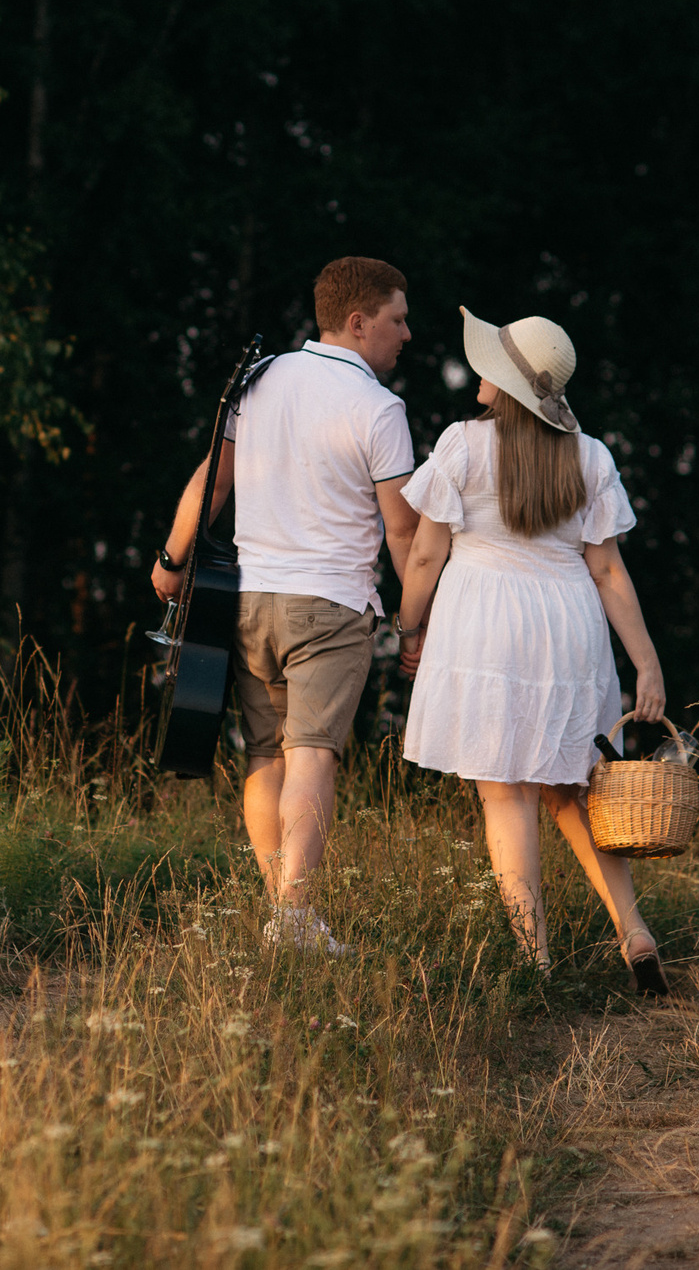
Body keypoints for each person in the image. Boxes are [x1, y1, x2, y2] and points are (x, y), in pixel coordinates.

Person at [394, 308, 671, 996]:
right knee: (574, 791)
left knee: (506, 796)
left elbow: (425, 555)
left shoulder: (462, 444)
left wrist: (408, 627)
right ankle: (634, 929)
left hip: (484, 626)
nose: (478, 373)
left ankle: (534, 961)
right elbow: (608, 571)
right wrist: (646, 662)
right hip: (567, 628)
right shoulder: (590, 456)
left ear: (507, 383)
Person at [150, 257, 419, 955]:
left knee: (265, 756)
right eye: (397, 319)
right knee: (313, 757)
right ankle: (296, 920)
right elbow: (404, 532)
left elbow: (213, 482)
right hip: (329, 606)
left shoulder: (260, 378)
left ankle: (283, 915)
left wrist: (171, 562)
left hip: (247, 601)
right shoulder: (380, 409)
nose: (407, 334)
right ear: (357, 322)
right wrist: (416, 624)